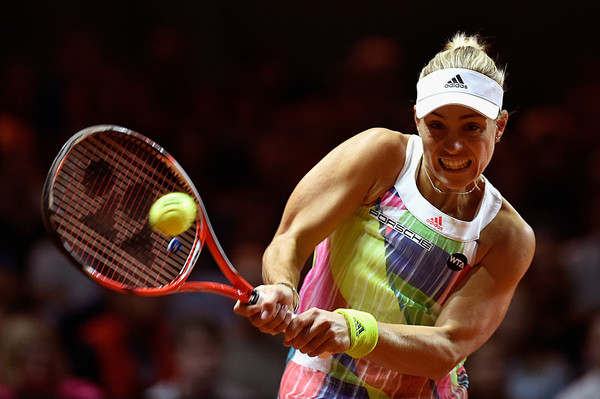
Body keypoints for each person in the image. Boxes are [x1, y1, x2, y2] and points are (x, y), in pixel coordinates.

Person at [234, 33, 535, 398]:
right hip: (319, 382)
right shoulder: (380, 156)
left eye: (472, 127)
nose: (453, 145)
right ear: (417, 119)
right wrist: (282, 286)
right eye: (437, 125)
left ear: (499, 127)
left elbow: (449, 346)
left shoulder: (506, 235)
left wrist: (355, 330)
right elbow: (291, 238)